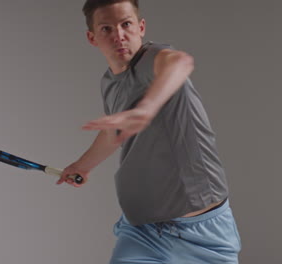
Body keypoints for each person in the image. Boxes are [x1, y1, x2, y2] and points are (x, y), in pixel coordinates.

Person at [56, 0, 242, 263]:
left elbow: (180, 62)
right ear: (92, 37)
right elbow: (115, 131)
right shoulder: (109, 81)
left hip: (202, 235)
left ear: (141, 27)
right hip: (142, 231)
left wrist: (146, 109)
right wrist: (82, 165)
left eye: (126, 24)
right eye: (107, 28)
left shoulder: (154, 59)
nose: (119, 35)